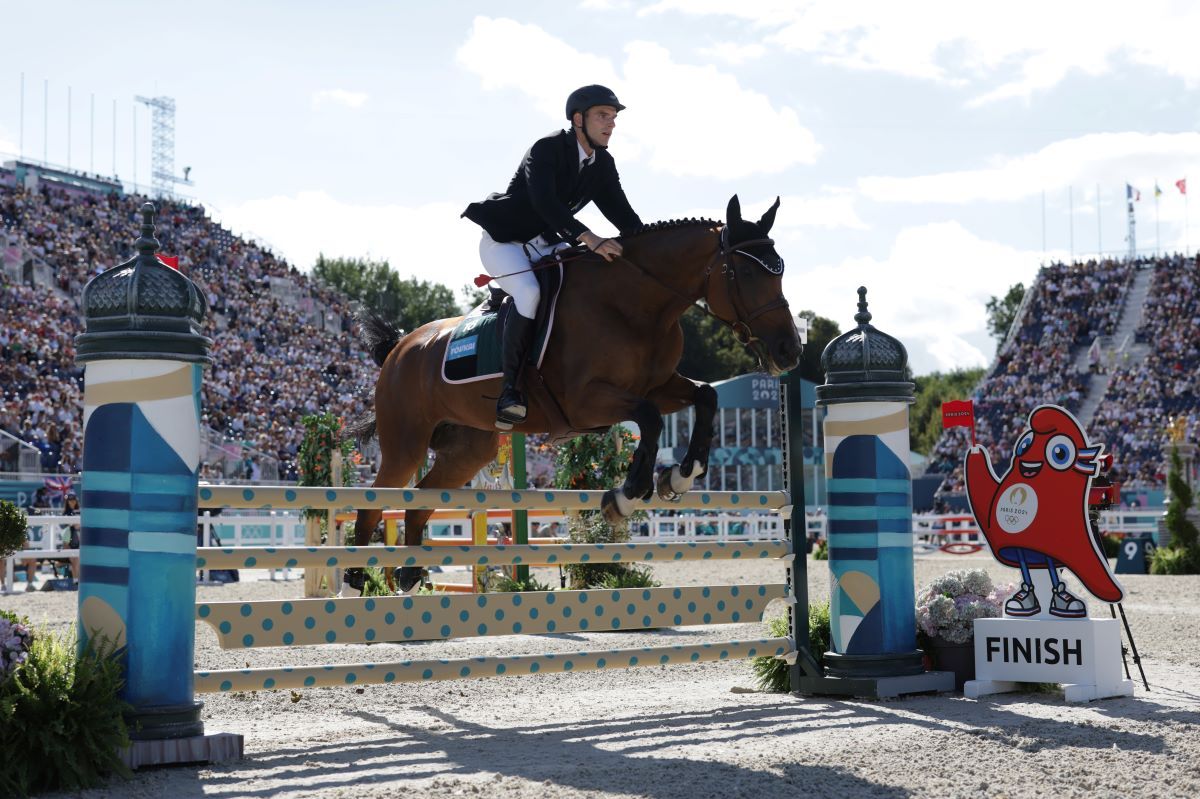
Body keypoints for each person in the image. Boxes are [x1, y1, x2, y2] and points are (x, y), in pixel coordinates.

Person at [462, 84, 643, 427]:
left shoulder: (601, 164)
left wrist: (651, 246)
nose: (612, 124)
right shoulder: (546, 149)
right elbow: (546, 204)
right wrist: (589, 238)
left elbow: (623, 216)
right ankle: (510, 391)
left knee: (586, 288)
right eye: (603, 116)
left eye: (614, 117)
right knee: (530, 294)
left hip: (548, 246)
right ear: (578, 119)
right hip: (507, 244)